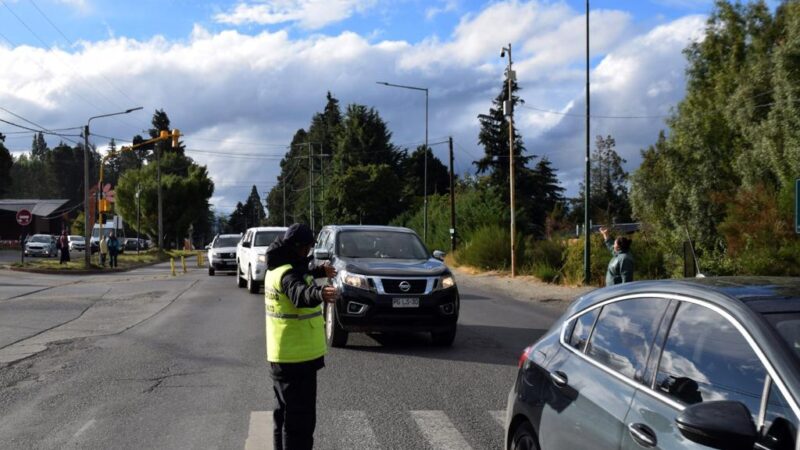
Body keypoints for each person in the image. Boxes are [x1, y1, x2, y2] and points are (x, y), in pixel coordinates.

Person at [265, 223, 337, 450]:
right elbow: (298, 292)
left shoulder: (278, 267)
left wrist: (318, 272)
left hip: (282, 356)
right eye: (306, 248)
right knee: (300, 424)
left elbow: (301, 271)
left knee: (283, 417)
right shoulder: (286, 275)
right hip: (297, 360)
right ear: (296, 247)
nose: (308, 252)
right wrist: (320, 293)